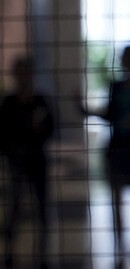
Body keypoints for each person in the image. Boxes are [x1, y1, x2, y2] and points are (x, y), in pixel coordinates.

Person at [82, 45, 130, 268]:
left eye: (124, 57)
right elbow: (109, 114)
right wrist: (86, 110)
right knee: (117, 198)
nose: (122, 61)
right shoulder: (118, 86)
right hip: (118, 149)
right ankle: (121, 244)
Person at [0, 56, 54, 269]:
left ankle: (42, 254)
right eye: (20, 72)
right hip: (17, 162)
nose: (23, 77)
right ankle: (10, 252)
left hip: (37, 161)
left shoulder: (40, 100)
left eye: (26, 72)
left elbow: (50, 128)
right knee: (14, 209)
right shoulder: (9, 102)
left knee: (42, 209)